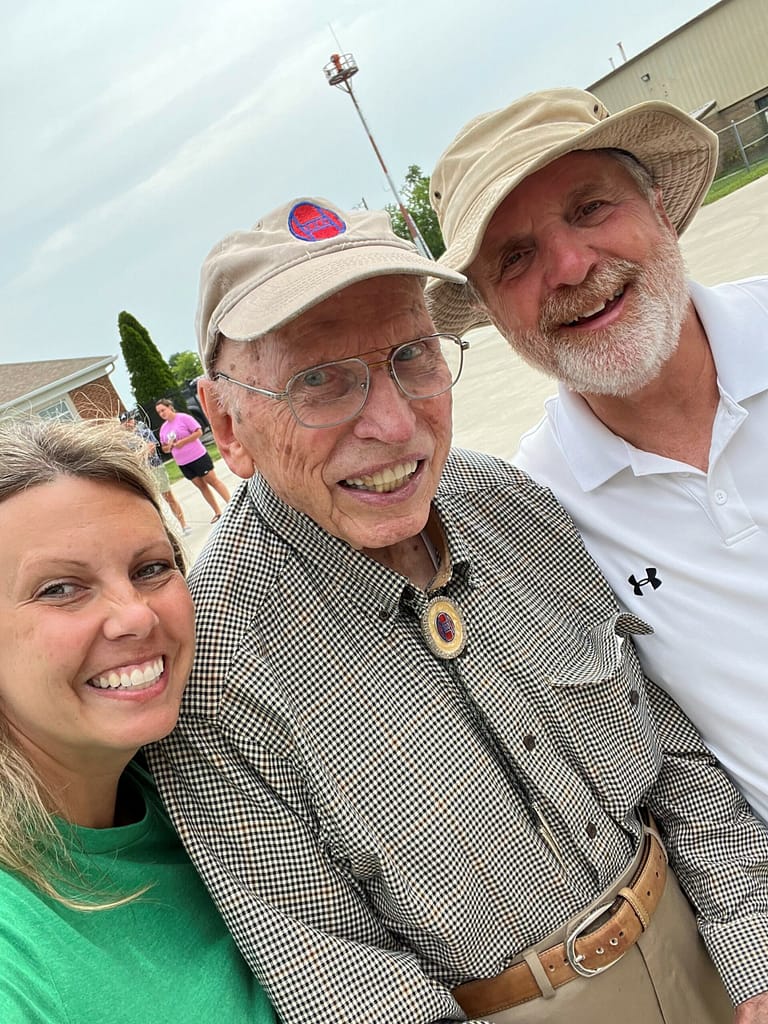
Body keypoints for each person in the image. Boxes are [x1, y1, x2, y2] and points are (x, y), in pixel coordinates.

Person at [147, 197, 768, 1024]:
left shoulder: (513, 502)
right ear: (227, 423)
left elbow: (677, 761)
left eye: (412, 356)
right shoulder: (215, 666)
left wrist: (755, 965)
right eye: (320, 381)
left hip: (704, 952)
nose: (395, 423)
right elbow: (342, 981)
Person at [425, 87, 768, 826]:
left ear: (657, 205)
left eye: (590, 209)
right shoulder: (534, 514)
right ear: (487, 307)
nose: (573, 267)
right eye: (515, 258)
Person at [0, 417, 274, 1024]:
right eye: (59, 589)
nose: (134, 617)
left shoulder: (221, 781)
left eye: (151, 568)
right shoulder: (15, 957)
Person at [155, 397, 231, 522]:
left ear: (169, 407)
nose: (162, 413)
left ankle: (230, 503)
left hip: (197, 456)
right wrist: (168, 447)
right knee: (201, 486)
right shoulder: (164, 428)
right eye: (159, 412)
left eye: (163, 410)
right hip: (183, 463)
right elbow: (164, 448)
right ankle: (217, 512)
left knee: (213, 481)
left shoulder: (183, 418)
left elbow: (199, 431)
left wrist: (183, 442)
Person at [119, 409, 191, 534]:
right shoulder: (123, 440)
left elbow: (151, 448)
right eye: (125, 421)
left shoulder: (143, 431)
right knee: (151, 502)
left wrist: (137, 456)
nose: (128, 423)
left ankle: (184, 525)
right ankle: (164, 532)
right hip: (142, 472)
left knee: (168, 496)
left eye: (129, 420)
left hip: (155, 468)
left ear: (133, 420)